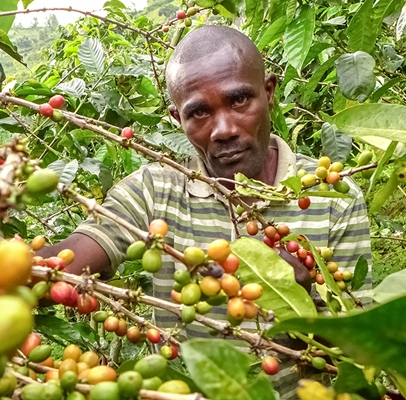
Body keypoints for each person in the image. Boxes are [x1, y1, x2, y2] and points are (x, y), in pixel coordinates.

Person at [38, 25, 371, 398]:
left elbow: (361, 350)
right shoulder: (154, 190)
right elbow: (58, 264)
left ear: (270, 92)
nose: (223, 130)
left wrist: (300, 300)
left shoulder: (331, 196)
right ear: (176, 118)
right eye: (199, 113)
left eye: (240, 101)